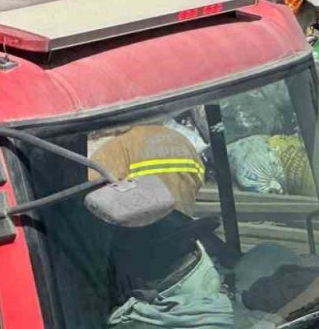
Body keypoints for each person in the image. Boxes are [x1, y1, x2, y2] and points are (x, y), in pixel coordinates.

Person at [89, 124, 234, 329]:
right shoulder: (180, 140)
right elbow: (198, 179)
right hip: (181, 232)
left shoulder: (113, 150)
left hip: (146, 252)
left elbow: (94, 205)